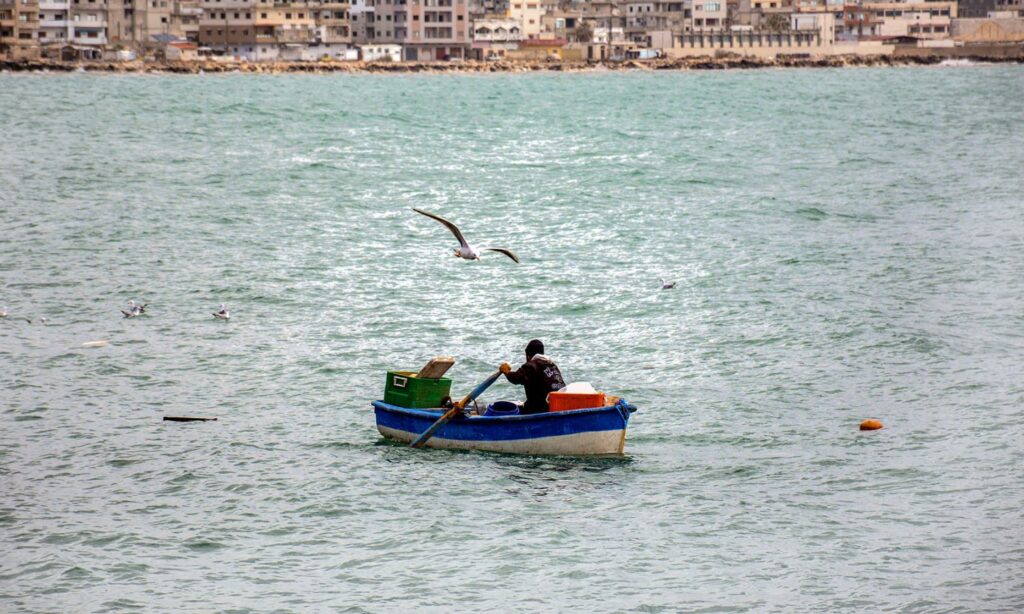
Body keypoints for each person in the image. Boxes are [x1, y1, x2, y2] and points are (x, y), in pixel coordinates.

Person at [500, 339, 566, 414]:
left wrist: (506, 372)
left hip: (539, 409)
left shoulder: (531, 366)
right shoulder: (552, 365)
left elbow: (515, 378)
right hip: (557, 406)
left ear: (528, 355)